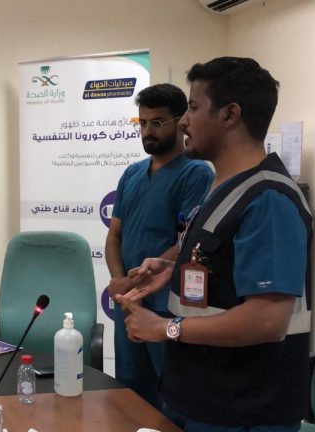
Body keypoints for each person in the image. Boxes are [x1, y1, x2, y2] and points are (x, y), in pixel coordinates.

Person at [117, 57, 313, 431]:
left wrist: (166, 328)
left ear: (230, 115)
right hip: (196, 398)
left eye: (192, 107)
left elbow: (267, 319)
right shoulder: (223, 189)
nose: (184, 122)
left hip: (241, 412)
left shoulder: (268, 199)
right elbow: (223, 271)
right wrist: (172, 268)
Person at [105, 83, 213, 409]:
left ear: (181, 121)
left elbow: (187, 241)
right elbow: (114, 235)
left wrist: (137, 282)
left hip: (165, 307)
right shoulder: (132, 174)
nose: (148, 131)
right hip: (129, 303)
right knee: (128, 392)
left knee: (168, 396)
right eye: (142, 122)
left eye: (157, 122)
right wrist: (119, 280)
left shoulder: (195, 173)